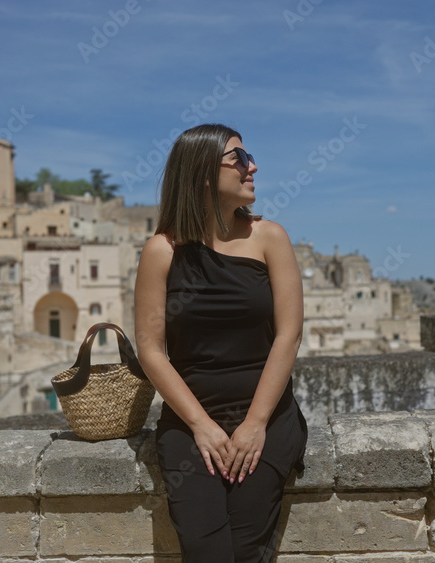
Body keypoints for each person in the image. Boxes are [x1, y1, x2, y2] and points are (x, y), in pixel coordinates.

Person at [134, 123, 308, 562]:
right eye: (240, 159)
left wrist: (255, 423)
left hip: (267, 418)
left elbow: (289, 335)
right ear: (203, 175)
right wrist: (201, 426)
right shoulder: (162, 251)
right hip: (191, 424)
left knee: (246, 549)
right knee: (206, 548)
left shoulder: (270, 238)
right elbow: (151, 349)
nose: (254, 167)